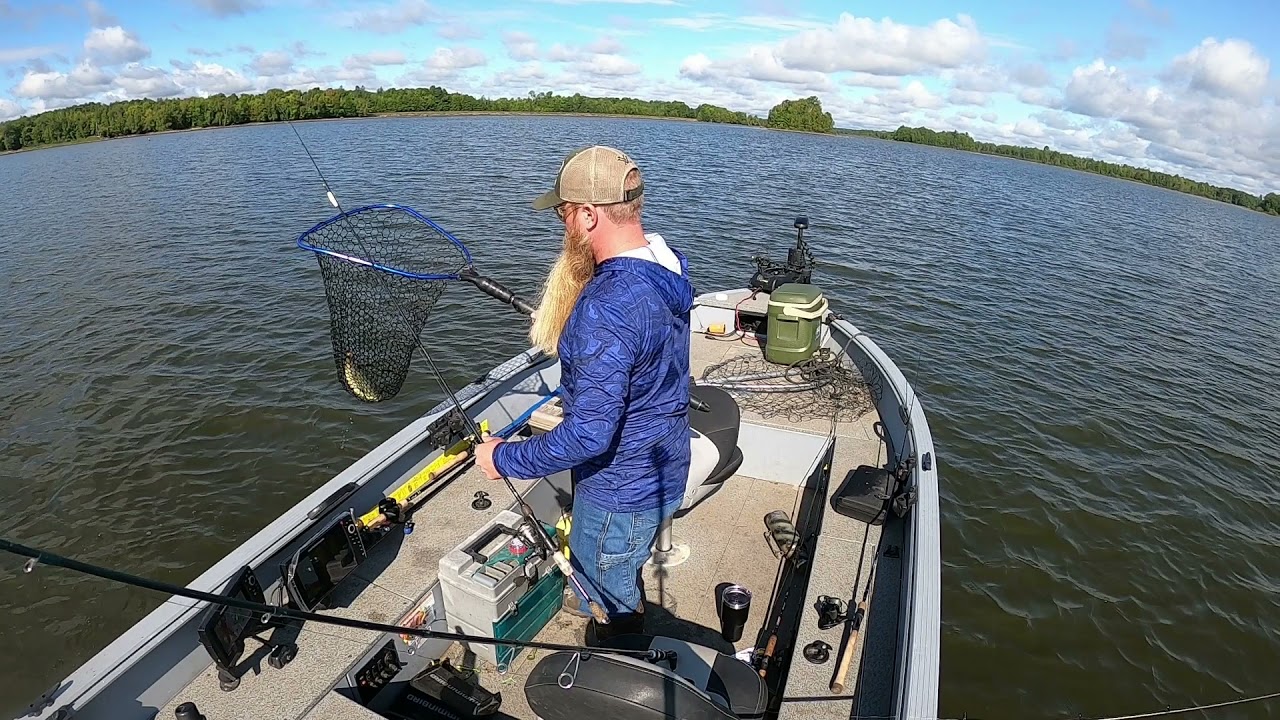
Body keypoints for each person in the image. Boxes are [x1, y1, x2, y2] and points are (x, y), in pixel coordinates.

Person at [474, 145, 694, 639]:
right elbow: (635, 331)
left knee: (605, 586)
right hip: (663, 466)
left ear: (590, 215)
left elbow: (589, 437)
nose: (561, 224)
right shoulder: (667, 262)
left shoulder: (605, 311)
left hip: (618, 493)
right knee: (626, 567)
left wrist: (502, 457)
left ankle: (623, 663)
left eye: (564, 212)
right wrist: (583, 330)